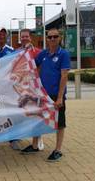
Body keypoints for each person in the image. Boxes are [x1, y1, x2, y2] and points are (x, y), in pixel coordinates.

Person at [21, 28, 70, 162]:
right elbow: (30, 64)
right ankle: (35, 145)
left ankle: (58, 150)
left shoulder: (63, 54)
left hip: (55, 95)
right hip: (42, 95)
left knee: (60, 123)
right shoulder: (43, 54)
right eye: (50, 37)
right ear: (47, 39)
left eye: (55, 37)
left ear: (59, 38)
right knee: (38, 119)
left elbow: (64, 76)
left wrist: (60, 97)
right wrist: (28, 50)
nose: (52, 39)